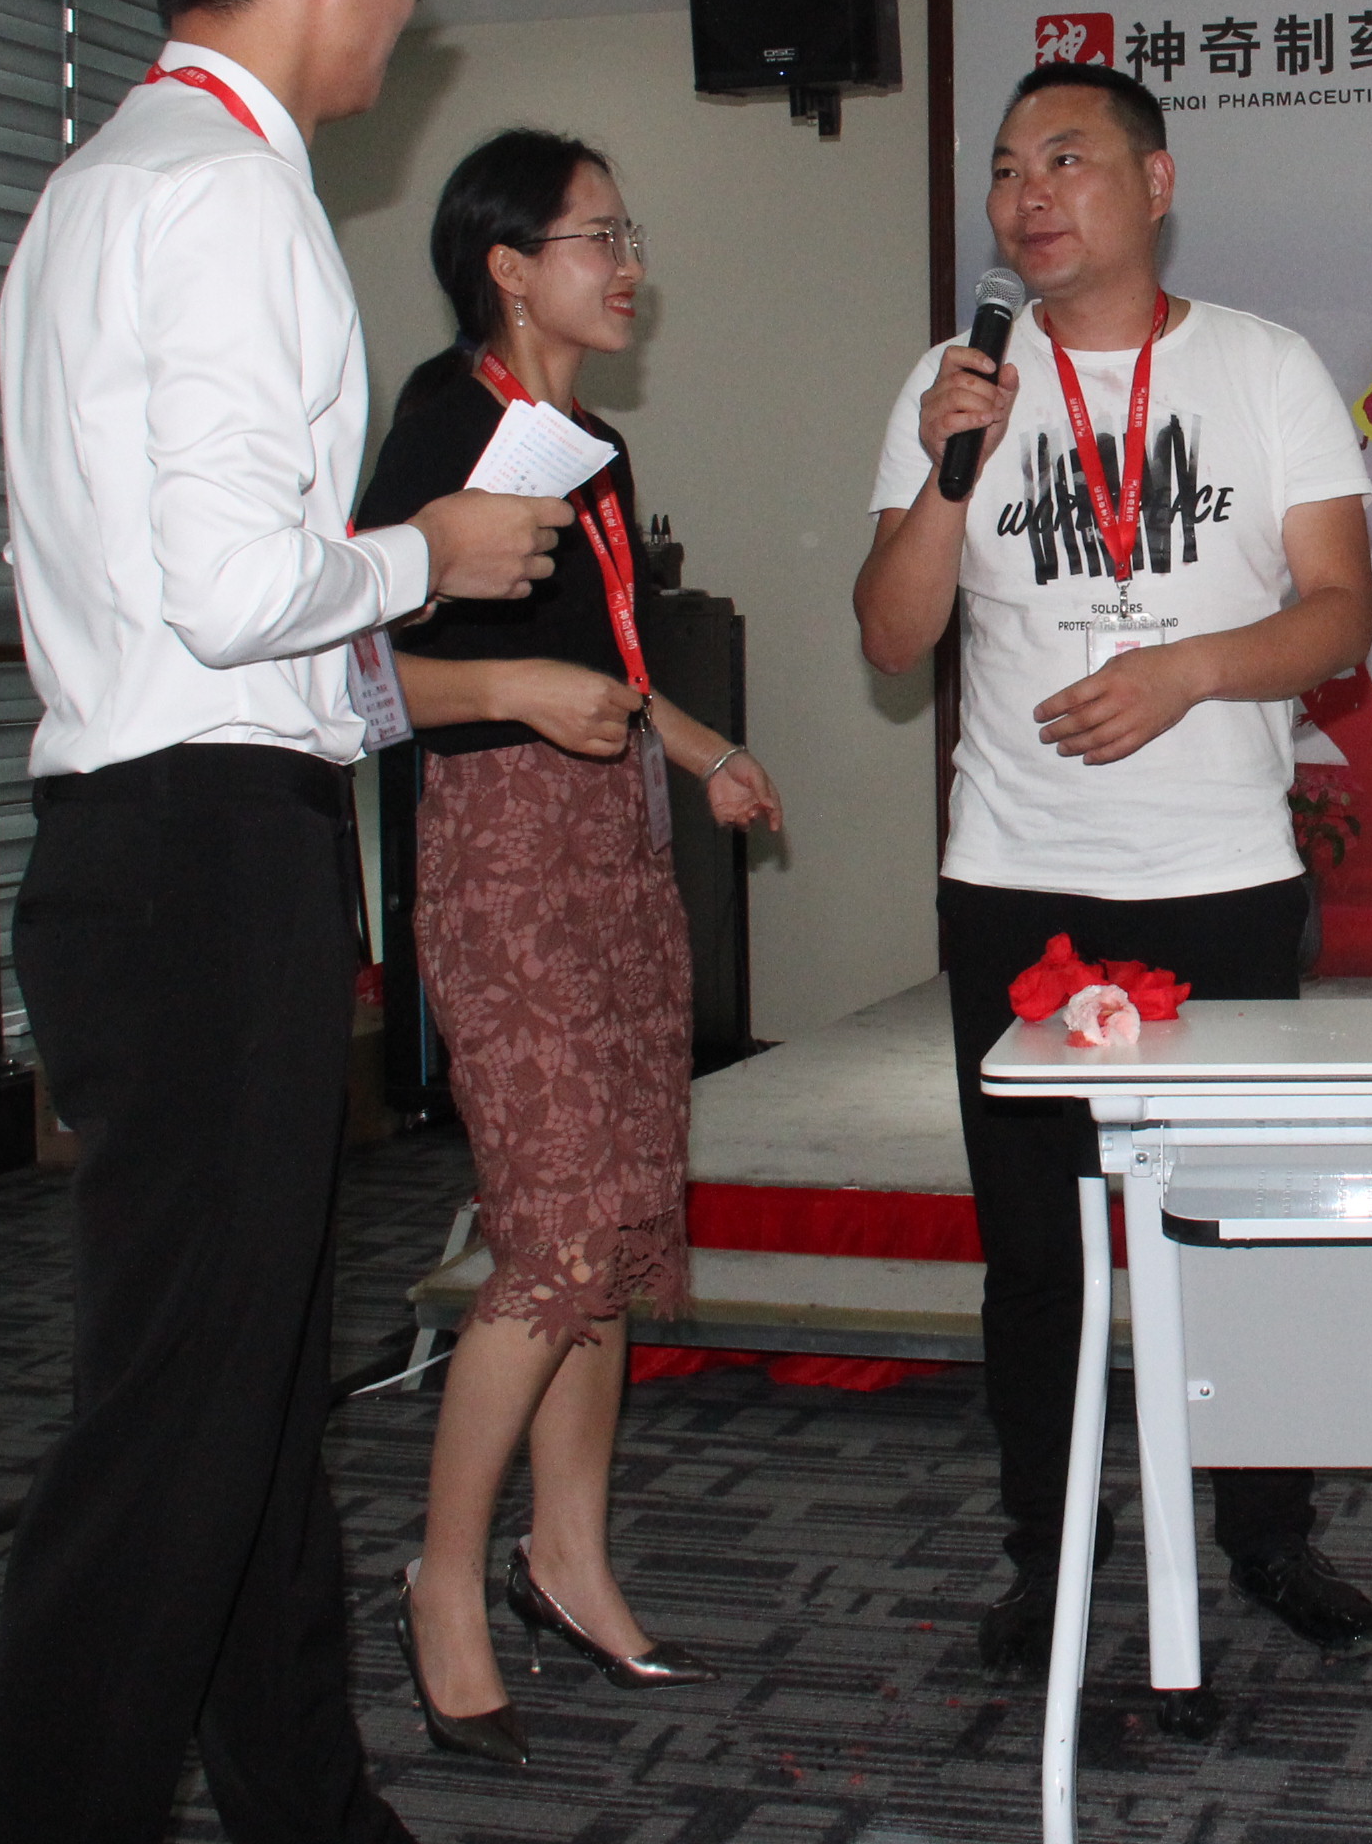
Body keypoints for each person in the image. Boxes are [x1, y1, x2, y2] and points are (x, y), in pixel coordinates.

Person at [0, 0, 571, 1844]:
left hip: (150, 837)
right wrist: (434, 551)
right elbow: (238, 591)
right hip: (203, 848)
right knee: (177, 1423)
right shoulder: (230, 197)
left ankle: (311, 1805)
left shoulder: (107, 180)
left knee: (233, 1393)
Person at [854, 61, 1372, 1677]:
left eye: (1067, 158)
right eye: (1008, 166)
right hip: (1019, 877)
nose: (1029, 194)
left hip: (1219, 875)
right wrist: (947, 464)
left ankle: (1269, 1529)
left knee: (1237, 1233)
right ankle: (1051, 1550)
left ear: (1155, 183)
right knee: (1034, 1253)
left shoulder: (1263, 366)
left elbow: (1339, 615)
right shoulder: (952, 380)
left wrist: (1189, 669)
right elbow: (892, 635)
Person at [353, 129, 783, 1764]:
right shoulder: (446, 420)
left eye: (628, 232)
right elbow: (346, 664)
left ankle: (571, 1560)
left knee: (613, 1226)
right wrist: (518, 694)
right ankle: (443, 1581)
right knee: (548, 1240)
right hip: (503, 847)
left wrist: (704, 750)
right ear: (509, 266)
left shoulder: (589, 443)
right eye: (598, 235)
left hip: (616, 840)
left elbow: (607, 660)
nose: (630, 263)